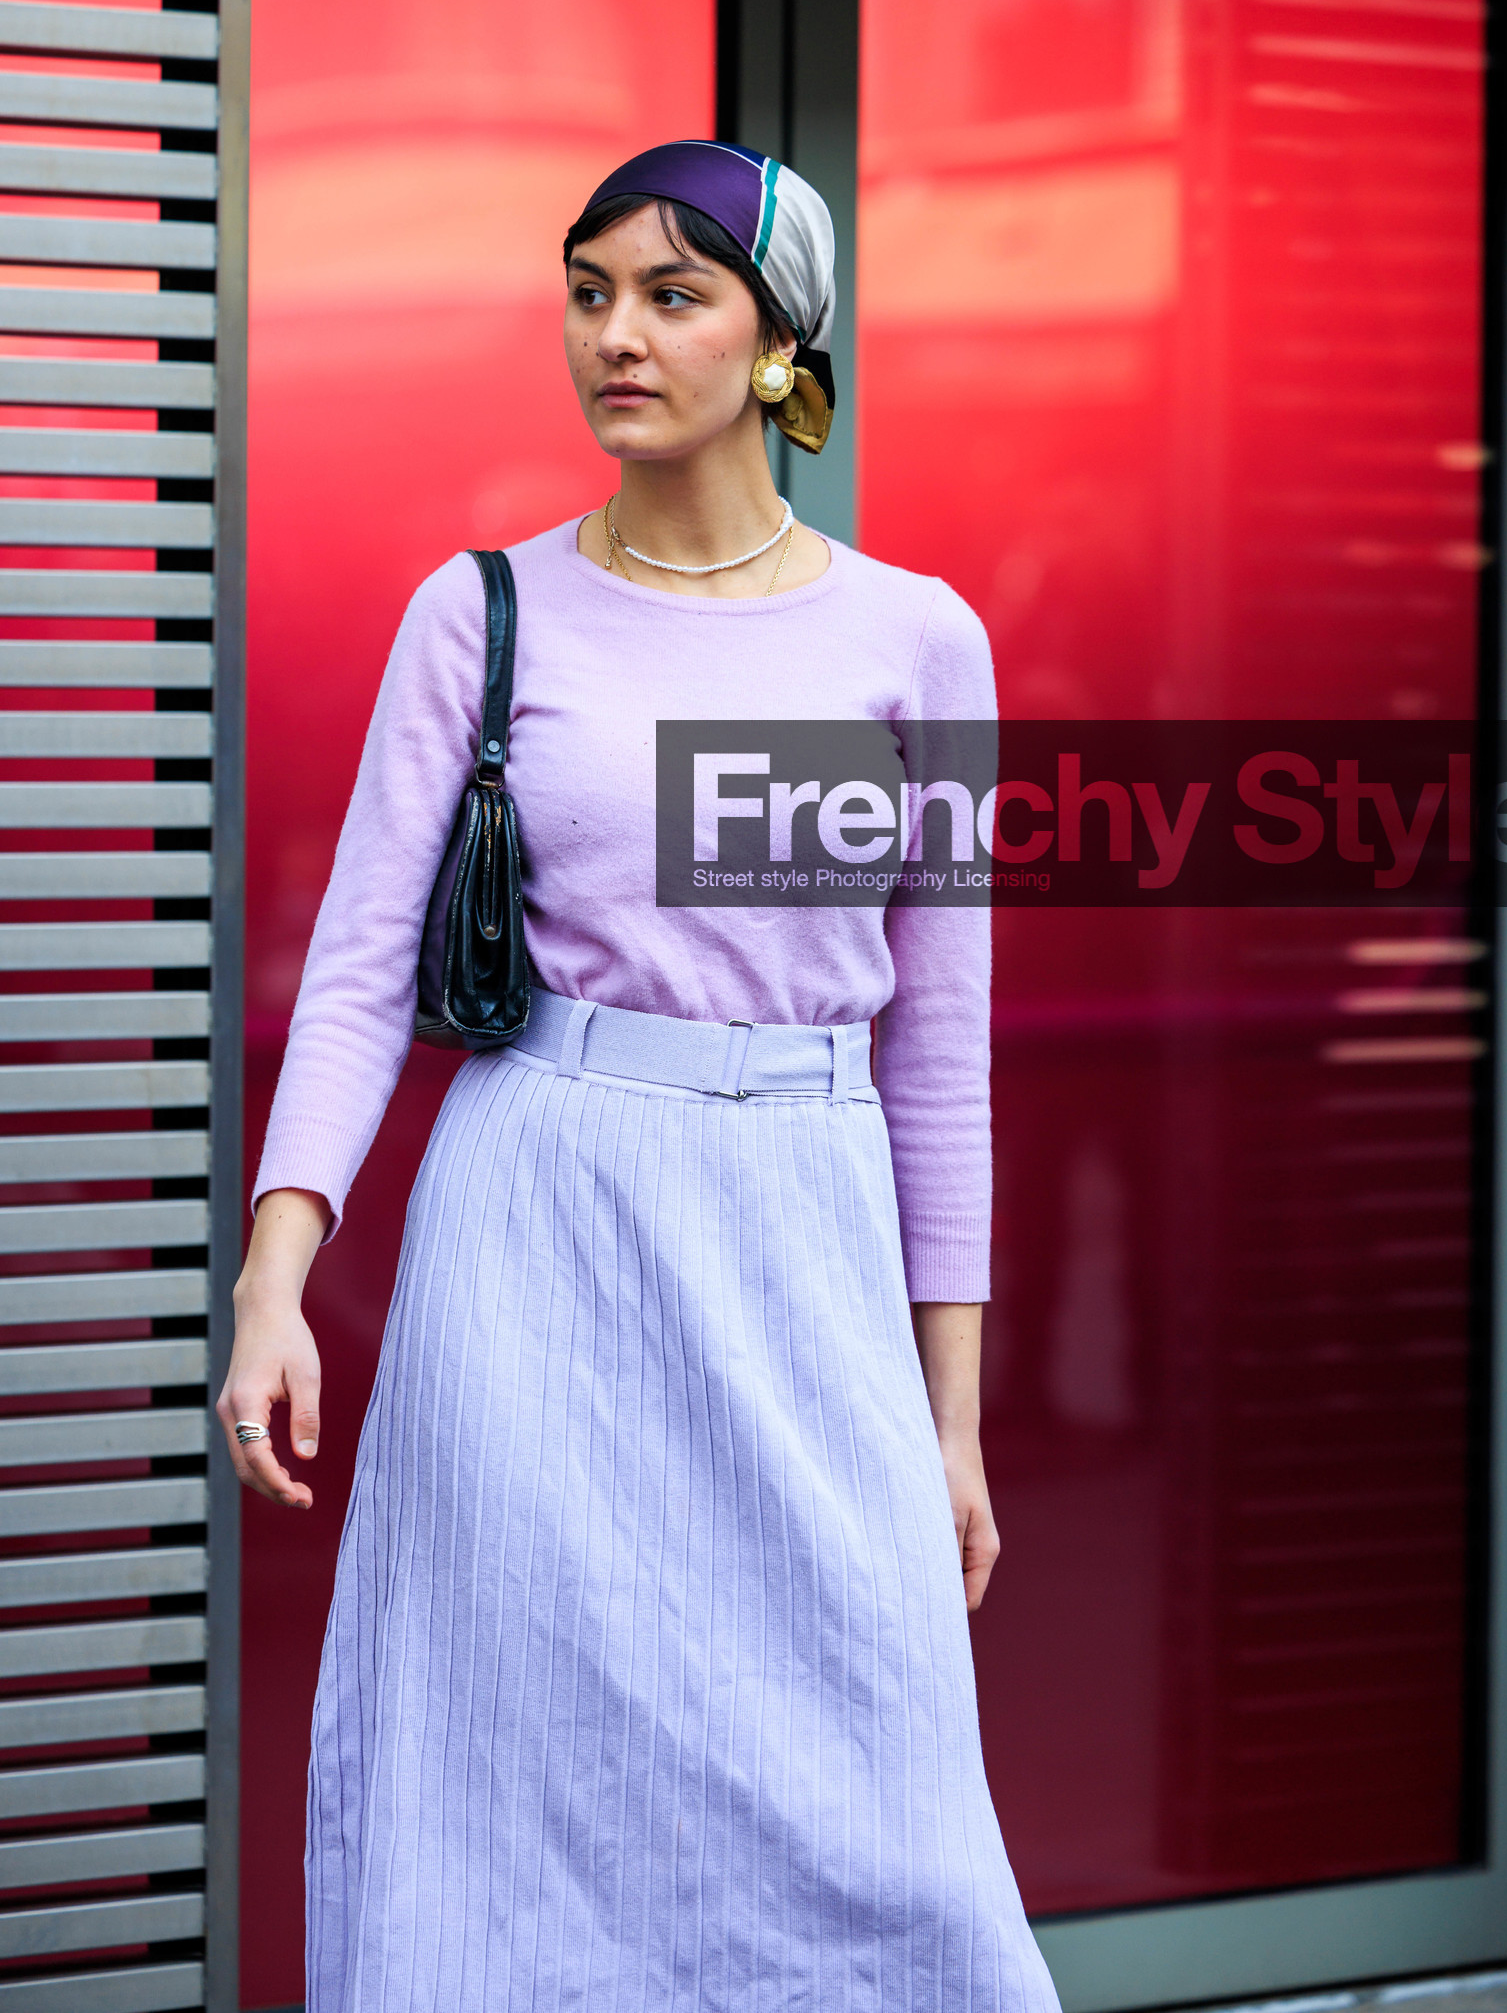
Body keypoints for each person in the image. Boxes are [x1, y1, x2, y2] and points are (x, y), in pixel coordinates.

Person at [221, 139, 1060, 2011]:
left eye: (676, 296)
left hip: (804, 1222)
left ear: (780, 345)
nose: (619, 334)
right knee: (509, 1764)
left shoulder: (916, 638)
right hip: (539, 1218)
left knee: (879, 1779)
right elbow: (361, 972)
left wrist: (956, 1415)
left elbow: (941, 1044)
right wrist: (275, 1282)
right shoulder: (482, 613)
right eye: (591, 291)